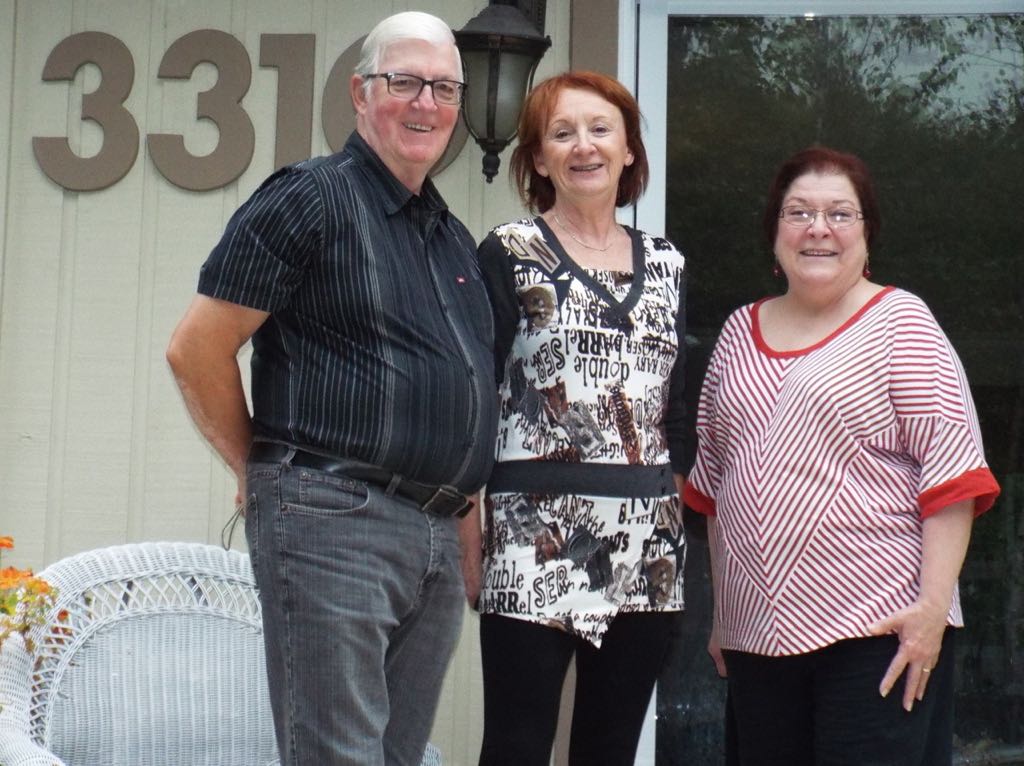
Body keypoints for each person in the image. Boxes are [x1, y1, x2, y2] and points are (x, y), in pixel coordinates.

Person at [165, 12, 497, 765]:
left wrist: (465, 532)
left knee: (394, 756)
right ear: (359, 92)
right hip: (333, 518)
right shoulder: (308, 198)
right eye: (403, 81)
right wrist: (257, 468)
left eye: (444, 88)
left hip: (434, 539)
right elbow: (196, 349)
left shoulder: (447, 235)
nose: (425, 103)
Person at [684, 146, 1001, 766]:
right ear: (774, 233)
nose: (818, 228)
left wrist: (932, 611)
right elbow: (716, 491)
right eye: (798, 212)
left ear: (867, 232)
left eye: (840, 214)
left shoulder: (902, 323)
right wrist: (723, 616)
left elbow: (953, 476)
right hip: (757, 639)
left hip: (879, 632)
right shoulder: (735, 334)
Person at [474, 71, 689, 766]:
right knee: (516, 745)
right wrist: (464, 535)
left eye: (601, 130)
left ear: (629, 150)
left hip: (647, 540)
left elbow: (674, 408)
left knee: (609, 749)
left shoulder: (668, 263)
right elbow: (474, 397)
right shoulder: (507, 253)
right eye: (561, 134)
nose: (583, 147)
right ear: (538, 159)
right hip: (532, 532)